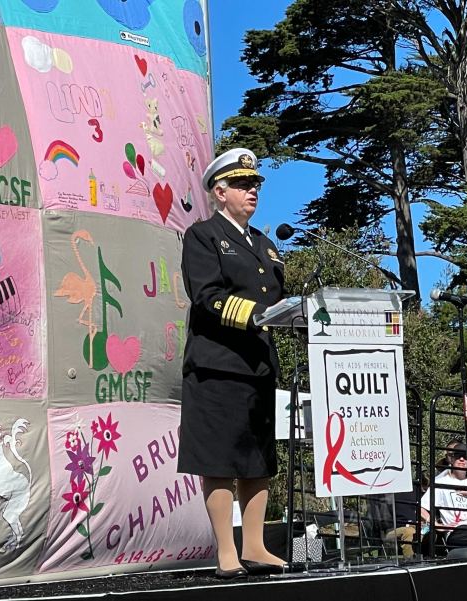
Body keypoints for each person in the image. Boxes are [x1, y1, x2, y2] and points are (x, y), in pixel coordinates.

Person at [177, 148, 287, 579]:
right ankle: (227, 550)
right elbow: (206, 297)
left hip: (257, 364)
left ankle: (256, 546)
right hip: (218, 363)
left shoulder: (263, 243)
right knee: (220, 459)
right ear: (219, 192)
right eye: (243, 184)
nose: (252, 190)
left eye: (255, 183)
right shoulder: (202, 236)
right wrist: (257, 315)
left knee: (258, 459)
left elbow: (277, 298)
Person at [421, 442, 467, 548]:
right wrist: (437, 525)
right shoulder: (440, 482)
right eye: (458, 456)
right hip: (457, 531)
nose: (462, 459)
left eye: (465, 457)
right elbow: (421, 508)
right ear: (452, 459)